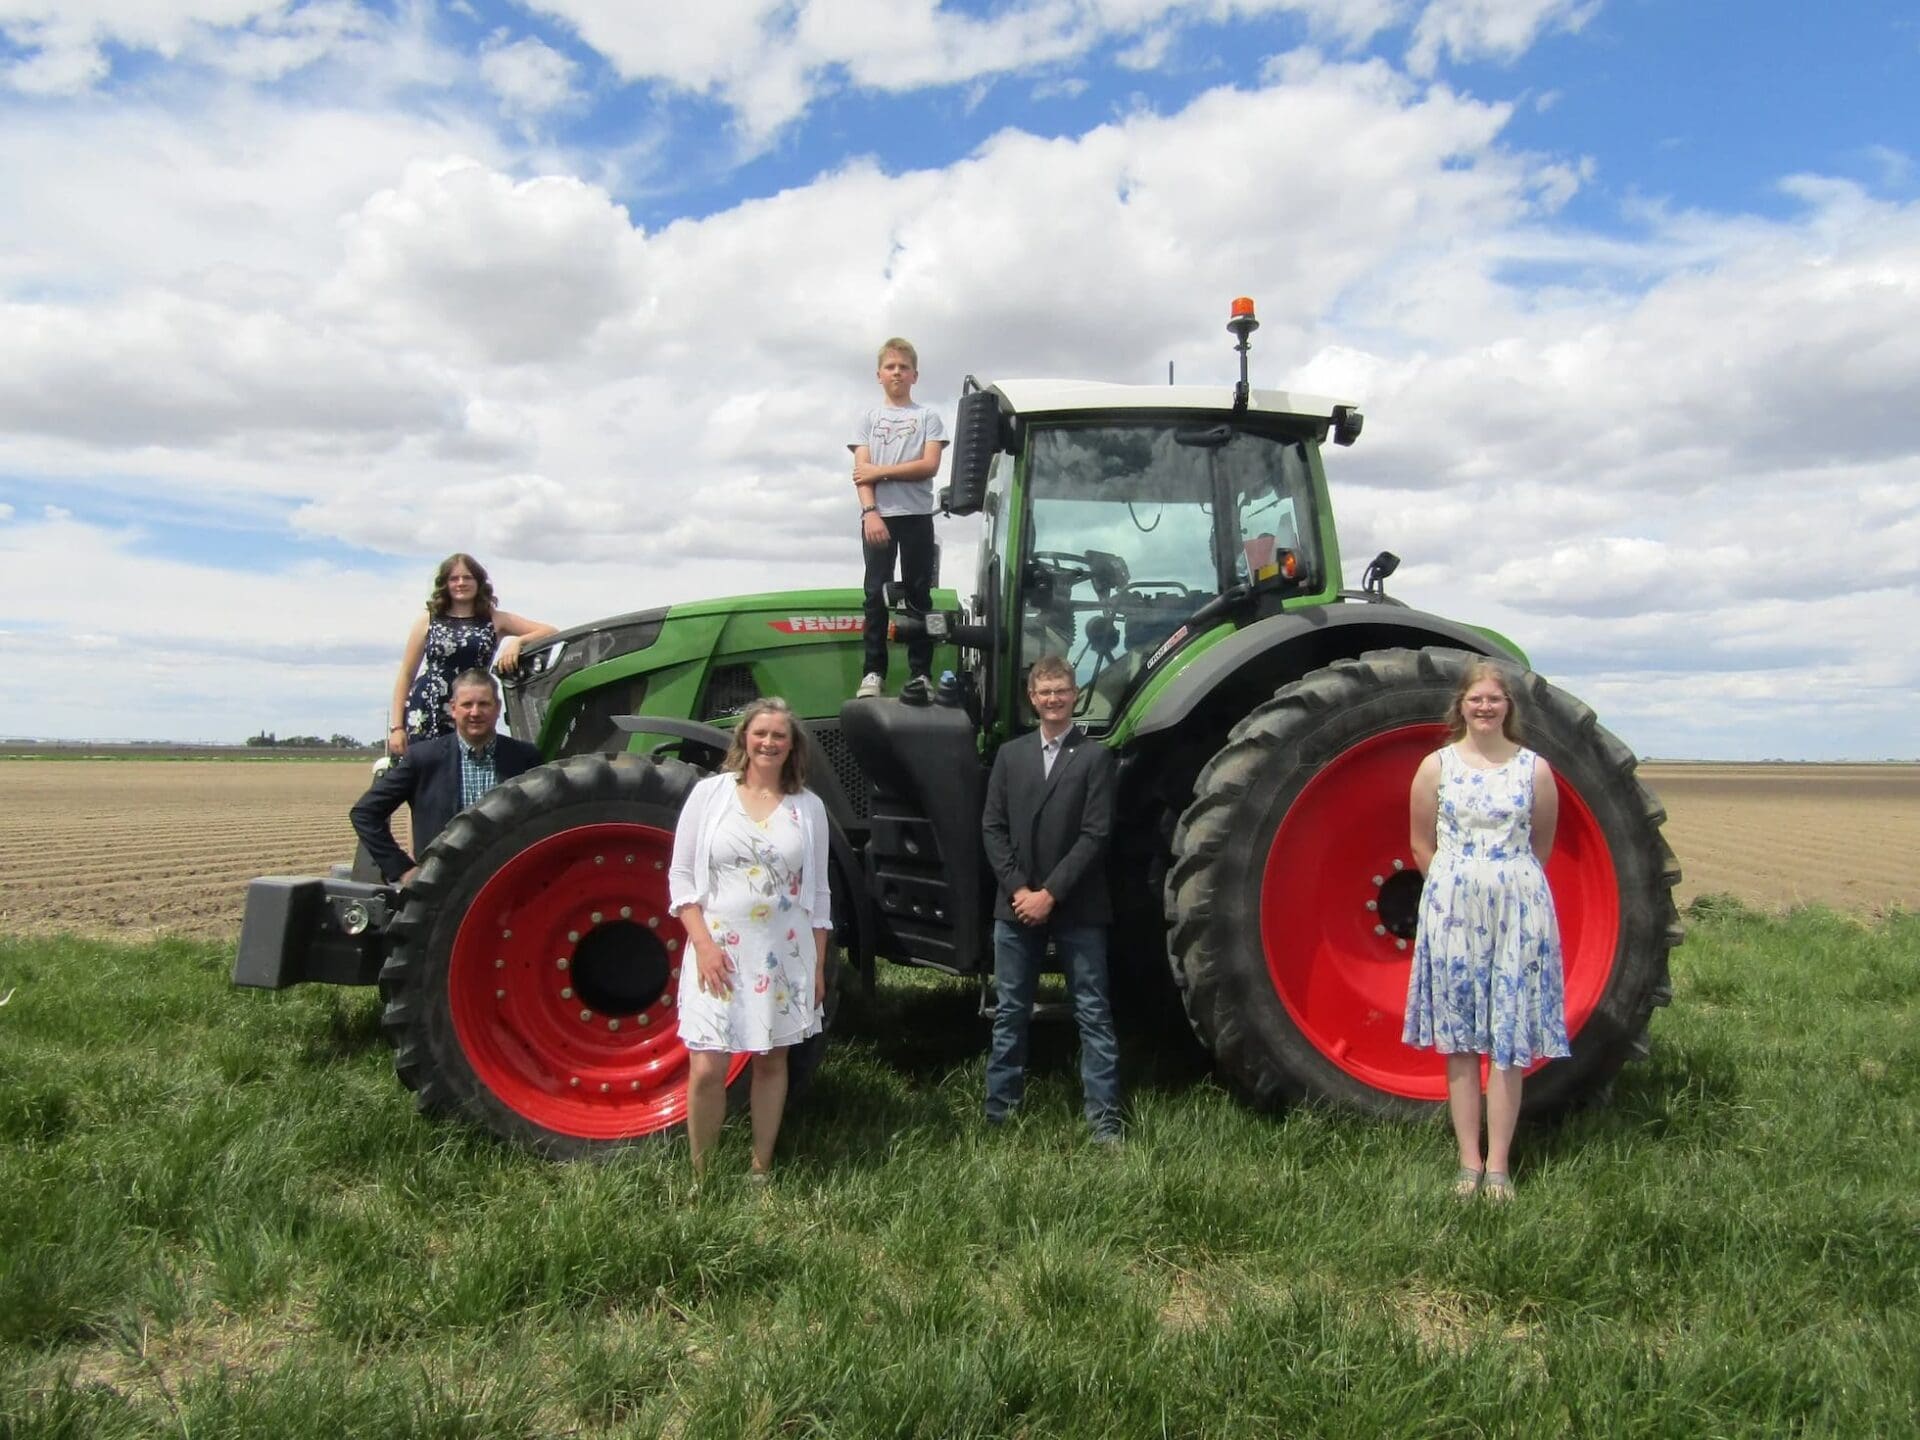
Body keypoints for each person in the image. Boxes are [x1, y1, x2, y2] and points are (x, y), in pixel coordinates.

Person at [1402, 659, 1570, 1203]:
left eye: (1495, 699)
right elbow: (1421, 843)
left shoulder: (1534, 770)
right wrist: (1455, 885)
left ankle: (1499, 1165)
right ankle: (1467, 1162)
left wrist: (1503, 881)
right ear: (1461, 705)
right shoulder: (1436, 767)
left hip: (1517, 911)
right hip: (1453, 910)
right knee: (1460, 1042)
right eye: (1476, 699)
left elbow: (1540, 844)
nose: (1485, 707)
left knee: (1507, 1040)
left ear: (1508, 708)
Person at [667, 697, 834, 1182]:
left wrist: (818, 966)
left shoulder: (809, 808)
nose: (768, 742)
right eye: (760, 733)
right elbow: (681, 878)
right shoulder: (711, 795)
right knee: (706, 1066)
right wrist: (703, 945)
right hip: (717, 951)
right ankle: (702, 1174)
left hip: (783, 953)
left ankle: (760, 1168)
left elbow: (818, 893)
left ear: (791, 746)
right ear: (744, 738)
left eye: (779, 735)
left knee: (771, 1059)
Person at [979, 655, 1123, 1142]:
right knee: (1010, 1012)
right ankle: (1000, 1115)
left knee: (1093, 1012)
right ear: (1032, 698)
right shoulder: (1010, 755)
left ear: (1075, 693)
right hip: (1015, 905)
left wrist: (1050, 894)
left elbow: (1095, 834)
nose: (1054, 699)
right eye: (1045, 692)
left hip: (1078, 905)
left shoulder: (1095, 758)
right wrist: (1021, 890)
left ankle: (1104, 1123)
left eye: (1062, 690)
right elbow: (992, 828)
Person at [351, 669, 543, 885]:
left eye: (484, 704)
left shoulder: (525, 758)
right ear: (453, 709)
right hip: (443, 889)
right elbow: (365, 813)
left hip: (507, 884)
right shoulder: (424, 759)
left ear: (497, 708)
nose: (475, 712)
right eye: (467, 704)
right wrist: (403, 869)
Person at [850, 338, 947, 702]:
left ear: (914, 375)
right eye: (890, 367)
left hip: (917, 517)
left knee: (919, 595)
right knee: (875, 594)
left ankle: (921, 674)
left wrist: (882, 470)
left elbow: (929, 465)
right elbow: (861, 473)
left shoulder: (927, 418)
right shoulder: (868, 420)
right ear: (879, 375)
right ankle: (873, 672)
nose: (897, 372)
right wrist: (870, 512)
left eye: (903, 367)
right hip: (879, 518)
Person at [387, 552, 556, 753]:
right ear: (445, 584)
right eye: (454, 578)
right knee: (424, 773)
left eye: (467, 577)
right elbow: (406, 674)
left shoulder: (494, 619)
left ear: (478, 583)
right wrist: (397, 727)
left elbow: (550, 631)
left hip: (472, 708)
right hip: (428, 709)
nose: (461, 583)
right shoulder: (429, 619)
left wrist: (518, 642)